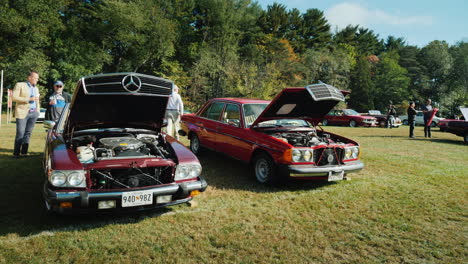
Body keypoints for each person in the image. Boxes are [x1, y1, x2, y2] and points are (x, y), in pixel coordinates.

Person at [12, 71, 40, 158]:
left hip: (33, 113)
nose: (37, 80)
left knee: (28, 133)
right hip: (22, 113)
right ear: (29, 77)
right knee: (20, 133)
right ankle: (16, 154)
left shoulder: (36, 88)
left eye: (37, 78)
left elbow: (37, 100)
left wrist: (37, 111)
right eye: (35, 78)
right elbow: (14, 97)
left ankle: (24, 153)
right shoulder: (20, 85)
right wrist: (29, 99)